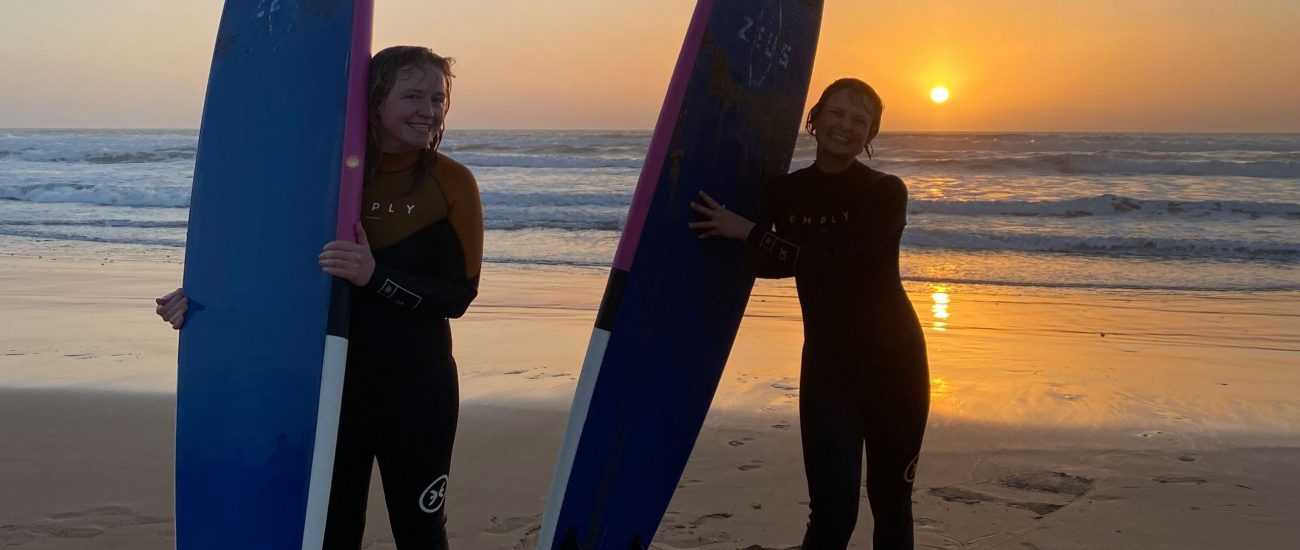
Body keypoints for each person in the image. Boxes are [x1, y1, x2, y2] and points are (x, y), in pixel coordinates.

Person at [155, 45, 483, 549]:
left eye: (437, 98)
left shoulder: (453, 183)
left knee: (421, 533)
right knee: (331, 532)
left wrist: (374, 275)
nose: (429, 110)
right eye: (413, 95)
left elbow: (458, 296)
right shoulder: (324, 180)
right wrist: (201, 303)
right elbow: (268, 267)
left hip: (419, 390)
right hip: (329, 388)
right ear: (373, 100)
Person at [689, 78, 929, 549]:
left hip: (896, 369)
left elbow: (842, 266)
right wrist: (706, 261)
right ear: (814, 119)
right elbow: (783, 261)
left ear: (870, 135)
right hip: (827, 372)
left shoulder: (886, 193)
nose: (846, 126)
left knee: (891, 505)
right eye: (837, 113)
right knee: (831, 515)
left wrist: (750, 233)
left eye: (860, 121)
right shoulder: (784, 192)